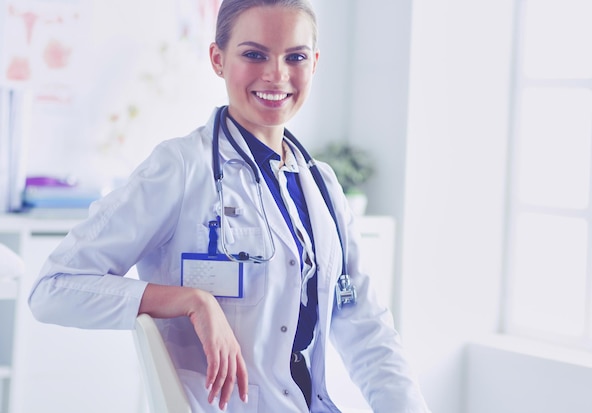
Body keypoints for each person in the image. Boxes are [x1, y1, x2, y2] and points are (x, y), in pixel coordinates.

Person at [28, 0, 431, 412]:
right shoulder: (182, 167)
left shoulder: (322, 186)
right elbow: (53, 289)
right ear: (217, 59)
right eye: (254, 54)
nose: (277, 74)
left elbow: (370, 335)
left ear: (315, 63)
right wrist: (189, 300)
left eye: (296, 57)